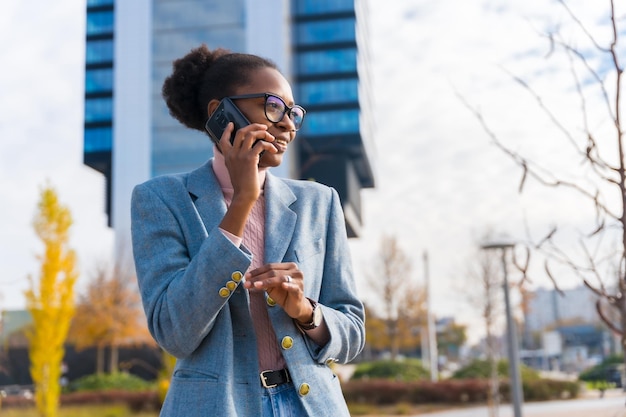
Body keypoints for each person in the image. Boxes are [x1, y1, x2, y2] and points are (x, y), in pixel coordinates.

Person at [130, 44, 365, 417]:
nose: (288, 123)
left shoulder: (320, 201)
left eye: (293, 112)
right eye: (272, 107)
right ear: (221, 113)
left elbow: (353, 332)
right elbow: (174, 332)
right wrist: (241, 202)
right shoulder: (160, 200)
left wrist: (306, 311)